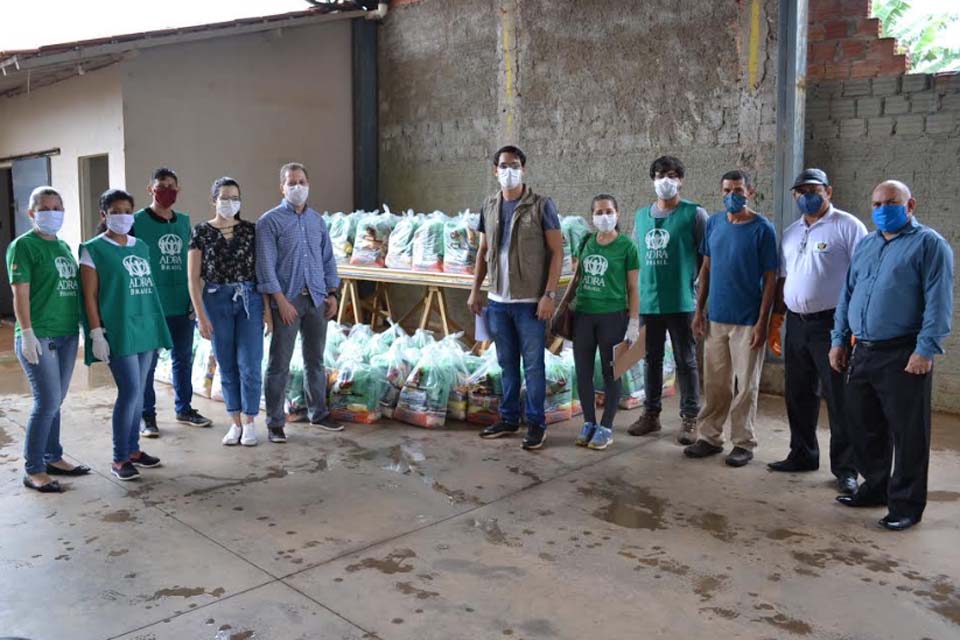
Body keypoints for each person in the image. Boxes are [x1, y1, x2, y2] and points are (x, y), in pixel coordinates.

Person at [830, 180, 953, 531]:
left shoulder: (930, 245)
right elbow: (847, 295)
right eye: (876, 203)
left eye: (890, 202)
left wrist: (925, 349)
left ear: (910, 205)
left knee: (908, 433)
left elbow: (939, 303)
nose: (882, 209)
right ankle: (876, 488)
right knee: (865, 426)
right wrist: (838, 340)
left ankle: (906, 506)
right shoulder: (866, 245)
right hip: (863, 350)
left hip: (904, 352)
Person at [768, 169, 867, 495]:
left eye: (812, 190)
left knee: (839, 397)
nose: (805, 196)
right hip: (797, 323)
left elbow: (863, 279)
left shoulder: (848, 226)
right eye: (800, 192)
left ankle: (846, 468)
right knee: (798, 393)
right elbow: (784, 278)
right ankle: (802, 454)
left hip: (832, 326)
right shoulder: (791, 232)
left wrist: (853, 327)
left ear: (828, 190)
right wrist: (777, 319)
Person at [467, 145, 564, 451]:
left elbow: (557, 252)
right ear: (495, 170)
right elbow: (483, 251)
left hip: (529, 302)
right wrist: (475, 290)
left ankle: (536, 424)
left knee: (533, 366)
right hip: (498, 302)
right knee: (506, 363)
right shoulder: (489, 205)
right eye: (504, 166)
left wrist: (549, 294)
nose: (509, 171)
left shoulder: (541, 205)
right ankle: (508, 417)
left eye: (515, 165)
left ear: (523, 169)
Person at [685, 170, 778, 467]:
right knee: (715, 383)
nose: (731, 196)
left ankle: (743, 442)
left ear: (750, 191)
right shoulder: (714, 224)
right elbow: (707, 270)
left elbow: (771, 278)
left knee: (745, 386)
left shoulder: (763, 229)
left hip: (748, 320)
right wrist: (699, 310)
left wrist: (763, 322)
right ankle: (710, 437)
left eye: (737, 190)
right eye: (726, 190)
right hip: (717, 319)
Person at [80, 189, 173, 480]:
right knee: (130, 391)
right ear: (104, 215)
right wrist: (96, 332)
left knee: (140, 390)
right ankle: (119, 458)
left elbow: (148, 288)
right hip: (118, 329)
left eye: (127, 211)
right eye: (116, 211)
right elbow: (90, 297)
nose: (122, 216)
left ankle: (133, 450)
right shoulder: (92, 249)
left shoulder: (141, 246)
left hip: (145, 326)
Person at [7, 186, 89, 492]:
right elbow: (20, 294)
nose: (52, 213)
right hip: (38, 334)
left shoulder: (63, 246)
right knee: (46, 402)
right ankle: (34, 468)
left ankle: (53, 456)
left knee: (57, 400)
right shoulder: (23, 246)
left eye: (58, 206)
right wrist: (26, 332)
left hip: (67, 333)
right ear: (32, 213)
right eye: (45, 208)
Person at [256, 162, 342, 444]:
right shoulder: (269, 222)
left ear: (309, 184)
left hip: (316, 298)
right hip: (288, 301)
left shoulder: (317, 221)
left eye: (302, 182)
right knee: (279, 364)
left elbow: (328, 259)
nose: (297, 187)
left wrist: (333, 294)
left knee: (315, 361)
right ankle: (275, 422)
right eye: (291, 182)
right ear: (281, 187)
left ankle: (318, 412)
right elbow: (265, 266)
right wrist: (280, 301)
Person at [628, 156, 708, 444]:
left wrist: (699, 293)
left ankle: (689, 418)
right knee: (651, 359)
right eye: (661, 175)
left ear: (681, 180)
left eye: (672, 175)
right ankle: (651, 414)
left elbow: (706, 257)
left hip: (681, 299)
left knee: (686, 359)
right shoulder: (640, 216)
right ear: (653, 180)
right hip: (649, 300)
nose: (666, 180)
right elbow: (635, 258)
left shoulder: (694, 214)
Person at [188, 177, 271, 447]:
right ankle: (234, 422)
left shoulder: (251, 230)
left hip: (250, 299)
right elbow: (193, 278)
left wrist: (267, 311)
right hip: (216, 299)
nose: (230, 203)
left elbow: (262, 273)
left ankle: (249, 422)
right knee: (226, 364)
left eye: (235, 197)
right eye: (224, 197)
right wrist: (201, 316)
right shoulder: (201, 232)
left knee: (250, 364)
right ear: (213, 200)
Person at [133, 167, 211, 436]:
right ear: (150, 189)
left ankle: (184, 408)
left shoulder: (184, 222)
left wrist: (195, 298)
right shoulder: (136, 222)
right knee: (148, 363)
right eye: (161, 185)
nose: (166, 190)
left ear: (179, 189)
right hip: (151, 305)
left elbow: (194, 264)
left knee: (182, 359)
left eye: (171, 186)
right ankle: (147, 416)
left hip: (181, 302)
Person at [571, 195, 640, 450]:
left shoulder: (627, 247)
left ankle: (606, 426)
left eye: (608, 211)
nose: (604, 216)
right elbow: (577, 275)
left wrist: (633, 321)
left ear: (618, 214)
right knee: (583, 372)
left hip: (613, 316)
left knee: (612, 373)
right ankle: (589, 422)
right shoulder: (586, 241)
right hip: (584, 315)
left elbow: (633, 288)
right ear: (592, 217)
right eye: (598, 212)